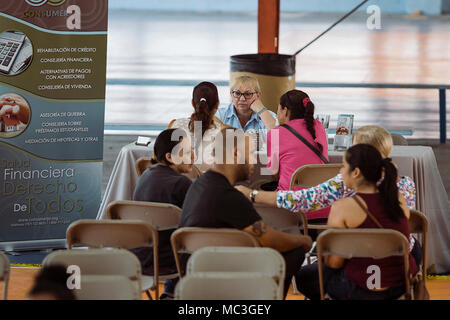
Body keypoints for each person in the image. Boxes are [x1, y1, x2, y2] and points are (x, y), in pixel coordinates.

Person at [179, 128, 312, 299]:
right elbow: (270, 240)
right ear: (235, 154)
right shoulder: (229, 196)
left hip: (194, 274)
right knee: (295, 251)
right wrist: (303, 240)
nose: (255, 160)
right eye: (250, 153)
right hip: (228, 277)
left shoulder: (199, 184)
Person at [295, 144, 418, 300]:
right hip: (399, 287)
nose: (340, 171)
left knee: (305, 276)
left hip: (357, 288)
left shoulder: (342, 208)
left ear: (356, 172)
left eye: (344, 166)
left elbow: (335, 263)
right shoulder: (399, 200)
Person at [132, 128, 194, 299]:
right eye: (187, 152)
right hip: (171, 262)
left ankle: (170, 292)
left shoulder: (145, 175)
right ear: (169, 157)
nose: (193, 157)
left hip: (140, 258)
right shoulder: (181, 183)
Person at [267, 89, 328, 191]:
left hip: (290, 197)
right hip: (318, 195)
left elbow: (273, 172)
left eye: (278, 109)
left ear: (285, 111)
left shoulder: (275, 133)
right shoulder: (319, 126)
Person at [168, 81, 228, 171]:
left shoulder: (174, 124)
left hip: (177, 182)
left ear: (192, 103)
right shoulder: (224, 131)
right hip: (209, 183)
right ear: (217, 105)